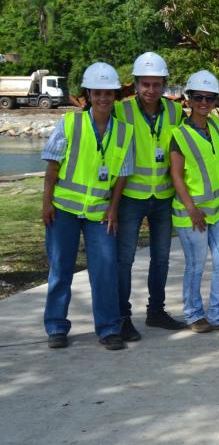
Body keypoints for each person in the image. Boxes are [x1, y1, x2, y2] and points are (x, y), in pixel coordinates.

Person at [43, 62, 135, 351]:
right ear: (88, 95)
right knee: (61, 268)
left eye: (109, 93)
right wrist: (46, 203)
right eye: (98, 93)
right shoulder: (70, 123)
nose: (104, 98)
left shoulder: (124, 131)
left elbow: (122, 173)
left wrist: (114, 208)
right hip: (64, 211)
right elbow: (53, 167)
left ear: (116, 95)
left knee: (105, 270)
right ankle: (57, 326)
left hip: (99, 213)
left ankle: (108, 328)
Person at [115, 52, 186, 342]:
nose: (151, 90)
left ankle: (156, 310)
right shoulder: (122, 111)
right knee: (125, 259)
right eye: (145, 84)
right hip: (132, 195)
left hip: (164, 196)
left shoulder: (174, 112)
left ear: (164, 84)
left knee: (161, 258)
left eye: (157, 84)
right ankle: (122, 317)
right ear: (135, 84)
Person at [170, 70, 219, 333]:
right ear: (187, 100)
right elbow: (176, 174)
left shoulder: (213, 126)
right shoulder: (179, 135)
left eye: (210, 99)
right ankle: (193, 314)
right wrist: (192, 208)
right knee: (196, 266)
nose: (204, 103)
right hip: (193, 212)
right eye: (198, 97)